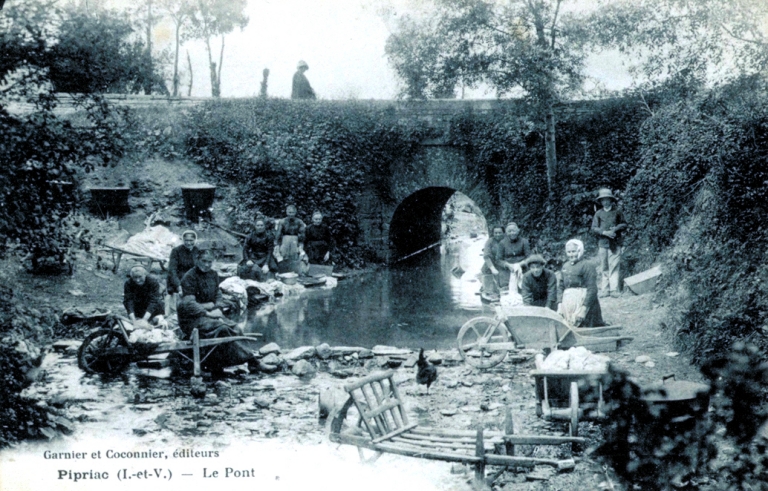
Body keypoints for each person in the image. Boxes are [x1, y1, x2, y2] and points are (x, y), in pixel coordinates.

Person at [177, 248, 258, 373]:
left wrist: (218, 308)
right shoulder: (189, 277)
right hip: (192, 319)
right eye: (204, 261)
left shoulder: (213, 275)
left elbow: (218, 295)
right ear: (197, 260)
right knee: (222, 328)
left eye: (210, 262)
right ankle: (244, 360)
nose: (207, 264)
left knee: (236, 327)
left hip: (210, 315)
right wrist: (208, 311)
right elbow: (189, 303)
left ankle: (248, 361)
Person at [558, 239, 605, 327]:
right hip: (568, 303)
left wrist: (584, 309)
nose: (571, 254)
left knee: (586, 326)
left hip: (585, 303)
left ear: (580, 251)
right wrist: (560, 304)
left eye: (573, 251)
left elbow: (592, 289)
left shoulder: (587, 265)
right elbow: (561, 286)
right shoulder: (565, 266)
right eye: (569, 252)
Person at [591, 188, 627, 298]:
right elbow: (594, 228)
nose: (605, 202)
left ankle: (614, 289)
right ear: (600, 202)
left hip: (615, 243)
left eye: (607, 200)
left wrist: (615, 229)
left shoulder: (617, 212)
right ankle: (605, 289)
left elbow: (624, 224)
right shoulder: (598, 213)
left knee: (614, 265)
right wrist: (604, 232)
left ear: (611, 200)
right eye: (603, 200)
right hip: (603, 243)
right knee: (604, 266)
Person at [497, 222, 532, 292]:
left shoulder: (524, 241)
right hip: (507, 270)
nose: (512, 233)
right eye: (509, 231)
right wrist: (507, 265)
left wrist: (520, 264)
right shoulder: (502, 243)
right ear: (506, 233)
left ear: (518, 231)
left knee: (525, 287)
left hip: (522, 268)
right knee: (506, 289)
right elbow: (498, 260)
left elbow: (529, 257)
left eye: (514, 231)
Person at [274, 204, 307, 270]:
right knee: (283, 254)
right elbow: (278, 234)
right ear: (286, 212)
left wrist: (300, 245)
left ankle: (294, 270)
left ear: (295, 212)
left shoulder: (299, 222)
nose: (291, 214)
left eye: (293, 212)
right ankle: (283, 270)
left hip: (295, 239)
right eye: (289, 212)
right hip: (285, 239)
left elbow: (302, 235)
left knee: (294, 255)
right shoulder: (282, 221)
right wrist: (277, 244)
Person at [168, 230, 198, 297]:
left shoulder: (197, 251)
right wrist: (178, 285)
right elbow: (172, 270)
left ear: (195, 240)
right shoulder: (176, 251)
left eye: (191, 240)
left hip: (193, 279)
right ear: (183, 240)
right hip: (179, 278)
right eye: (186, 240)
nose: (188, 243)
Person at [481, 225, 507, 295]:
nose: (497, 235)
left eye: (499, 233)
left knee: (503, 287)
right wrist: (492, 268)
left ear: (503, 233)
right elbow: (486, 256)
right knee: (490, 290)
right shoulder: (490, 241)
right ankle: (487, 290)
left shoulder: (507, 241)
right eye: (496, 233)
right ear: (493, 233)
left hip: (502, 265)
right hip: (490, 266)